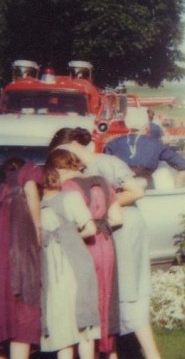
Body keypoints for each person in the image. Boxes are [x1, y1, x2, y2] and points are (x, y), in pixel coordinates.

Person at [48, 128, 161, 359]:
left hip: (124, 229)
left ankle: (150, 354)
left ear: (73, 147)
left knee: (127, 293)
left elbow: (137, 191)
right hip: (111, 228)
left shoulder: (106, 162)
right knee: (113, 293)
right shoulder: (87, 169)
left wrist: (101, 205)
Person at [50, 148, 124, 357]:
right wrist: (100, 226)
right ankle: (109, 351)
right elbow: (118, 219)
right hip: (106, 244)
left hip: (83, 247)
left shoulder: (66, 188)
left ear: (57, 168)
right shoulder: (102, 181)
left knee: (82, 302)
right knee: (106, 299)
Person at [40, 150, 101, 359]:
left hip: (50, 271)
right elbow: (91, 229)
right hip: (74, 265)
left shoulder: (37, 207)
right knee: (83, 326)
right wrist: (73, 236)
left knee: (62, 328)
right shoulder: (70, 198)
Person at [0, 158, 42, 359]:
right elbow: (36, 225)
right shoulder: (28, 179)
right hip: (21, 261)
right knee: (23, 319)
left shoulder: (4, 191)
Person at [104, 131, 185, 189]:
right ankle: (175, 194)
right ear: (145, 126)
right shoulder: (155, 143)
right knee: (163, 171)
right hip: (145, 183)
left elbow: (105, 166)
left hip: (122, 186)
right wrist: (178, 184)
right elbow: (182, 164)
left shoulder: (112, 143)